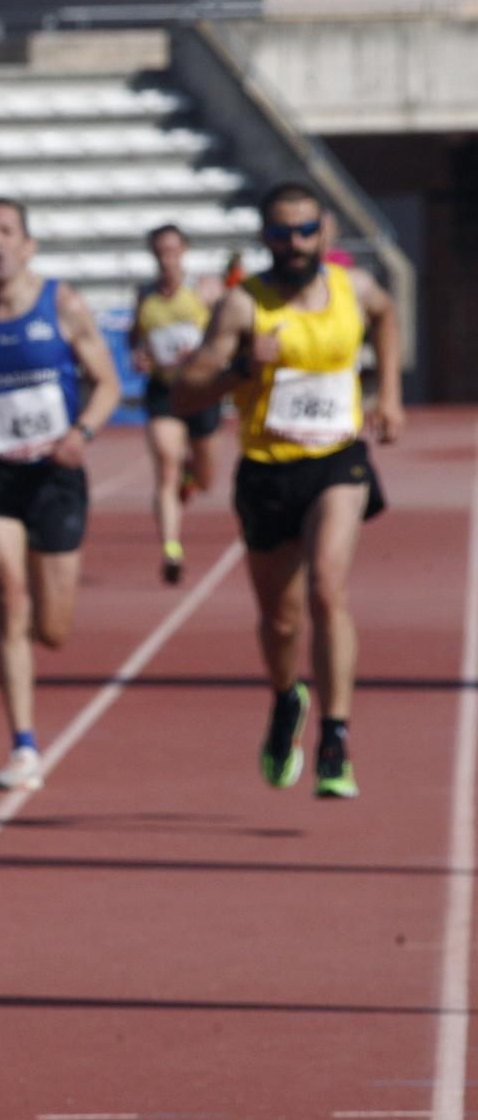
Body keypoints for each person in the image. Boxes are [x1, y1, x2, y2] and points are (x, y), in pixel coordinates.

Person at [172, 180, 404, 800]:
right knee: (281, 620)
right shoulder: (244, 306)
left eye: (305, 230)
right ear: (265, 236)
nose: (294, 242)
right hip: (268, 470)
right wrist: (243, 367)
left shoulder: (351, 288)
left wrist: (390, 395)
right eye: (281, 232)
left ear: (323, 231)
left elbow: (386, 312)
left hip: (337, 459)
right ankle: (285, 699)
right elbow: (187, 390)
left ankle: (335, 735)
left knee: (328, 587)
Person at [0, 197, 121, 791]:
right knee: (8, 595)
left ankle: (40, 613)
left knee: (53, 628)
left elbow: (108, 383)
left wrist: (81, 433)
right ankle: (24, 745)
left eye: (8, 231)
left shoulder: (62, 304)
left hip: (56, 472)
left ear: (27, 244)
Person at [130, 223, 224, 584]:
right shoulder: (144, 296)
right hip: (164, 391)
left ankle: (191, 477)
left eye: (172, 251)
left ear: (184, 251)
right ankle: (171, 548)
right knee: (165, 467)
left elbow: (226, 335)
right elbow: (136, 340)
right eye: (160, 252)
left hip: (201, 391)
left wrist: (202, 352)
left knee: (205, 478)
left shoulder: (203, 291)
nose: (166, 258)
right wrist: (140, 357)